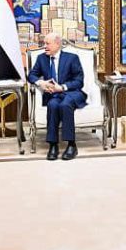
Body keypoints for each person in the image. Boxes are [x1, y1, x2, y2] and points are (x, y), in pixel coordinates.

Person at [28, 32, 87, 161]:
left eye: (47, 43)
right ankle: (53, 145)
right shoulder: (41, 58)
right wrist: (41, 83)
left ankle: (71, 145)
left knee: (65, 104)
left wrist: (62, 87)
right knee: (53, 105)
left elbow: (79, 81)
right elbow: (31, 75)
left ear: (57, 44)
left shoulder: (72, 58)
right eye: (44, 43)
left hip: (71, 93)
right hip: (53, 95)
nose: (45, 46)